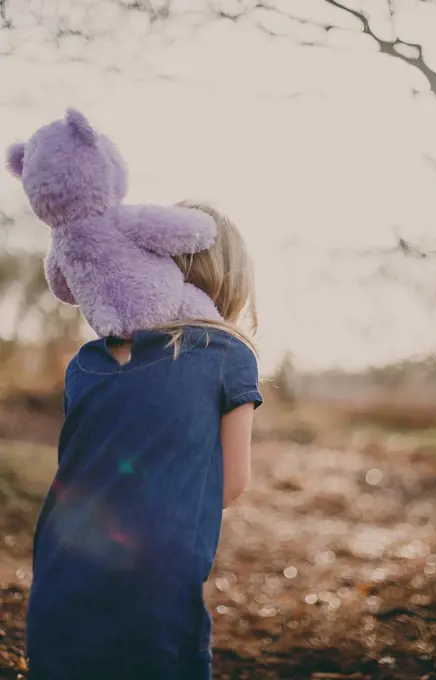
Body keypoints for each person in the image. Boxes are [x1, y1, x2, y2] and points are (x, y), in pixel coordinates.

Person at [26, 201, 263, 680]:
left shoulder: (85, 363)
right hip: (158, 579)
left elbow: (82, 465)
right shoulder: (227, 353)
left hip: (58, 563)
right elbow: (232, 480)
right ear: (231, 281)